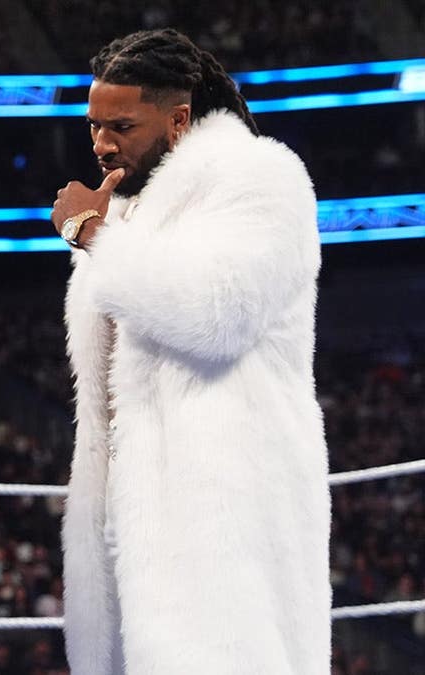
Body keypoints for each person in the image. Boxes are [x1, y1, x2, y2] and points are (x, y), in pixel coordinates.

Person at [50, 28, 330, 673]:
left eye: (120, 124)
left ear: (178, 118)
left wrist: (91, 235)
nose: (100, 143)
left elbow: (217, 315)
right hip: (130, 499)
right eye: (93, 124)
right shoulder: (129, 207)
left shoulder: (259, 177)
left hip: (224, 496)